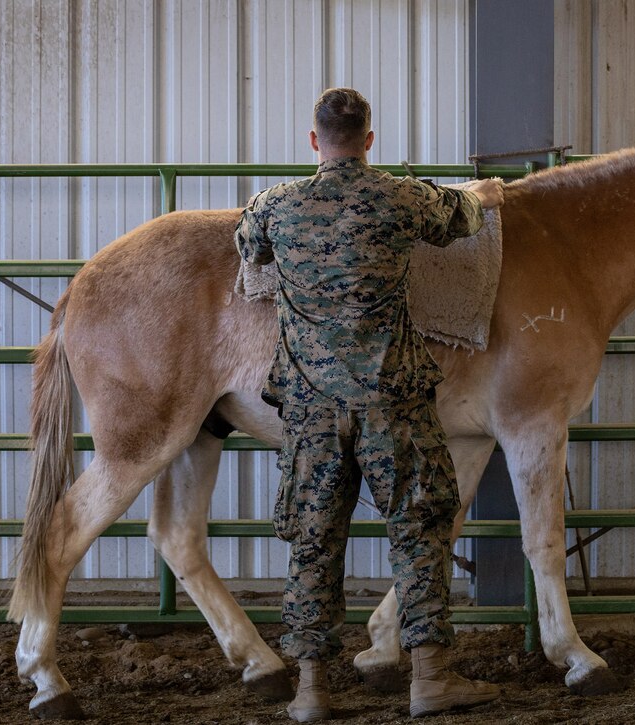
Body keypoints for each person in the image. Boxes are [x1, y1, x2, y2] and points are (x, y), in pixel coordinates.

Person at [235, 88, 504, 722]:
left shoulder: (276, 206)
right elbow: (465, 216)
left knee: (312, 540)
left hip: (313, 409)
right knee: (420, 530)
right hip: (393, 403)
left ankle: (310, 691)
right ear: (370, 139)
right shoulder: (401, 196)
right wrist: (485, 194)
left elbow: (249, 249)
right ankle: (430, 679)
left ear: (313, 140)